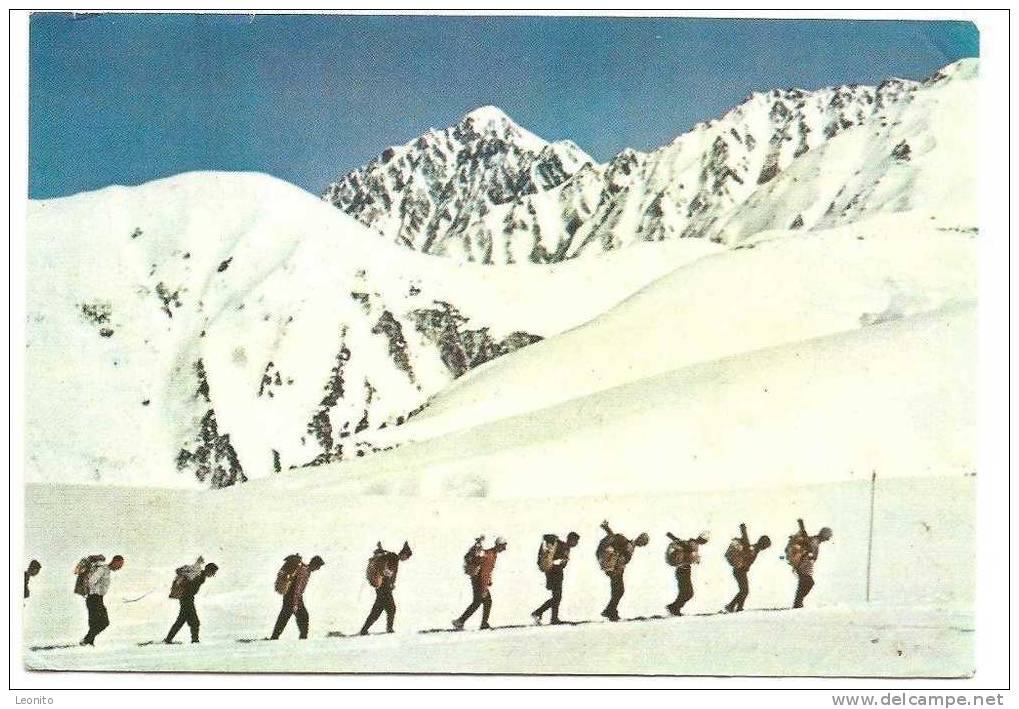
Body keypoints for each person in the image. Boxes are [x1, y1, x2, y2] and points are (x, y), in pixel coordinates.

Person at [596, 521, 649, 622]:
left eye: (643, 543)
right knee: (619, 590)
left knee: (618, 591)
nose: (641, 544)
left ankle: (611, 611)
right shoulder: (625, 542)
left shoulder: (630, 546)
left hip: (616, 569)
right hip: (613, 568)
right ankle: (610, 611)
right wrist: (607, 528)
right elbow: (614, 538)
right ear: (639, 538)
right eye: (642, 541)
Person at [453, 536, 507, 630]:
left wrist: (487, 582)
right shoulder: (490, 555)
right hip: (479, 581)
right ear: (499, 546)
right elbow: (484, 573)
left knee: (478, 602)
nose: (505, 548)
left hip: (477, 580)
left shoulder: (491, 553)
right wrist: (484, 588)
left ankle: (461, 621)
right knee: (485, 601)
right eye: (503, 546)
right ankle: (480, 624)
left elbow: (486, 571)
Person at [360, 541, 412, 635]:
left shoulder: (392, 557)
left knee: (378, 610)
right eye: (407, 557)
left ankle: (365, 629)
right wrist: (390, 582)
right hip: (384, 588)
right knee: (391, 608)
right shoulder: (393, 558)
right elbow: (387, 572)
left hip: (382, 587)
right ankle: (389, 629)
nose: (406, 559)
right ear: (404, 554)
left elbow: (386, 569)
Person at [531, 531, 580, 625]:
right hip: (554, 573)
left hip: (555, 572)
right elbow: (554, 559)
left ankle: (552, 617)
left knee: (556, 597)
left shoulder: (564, 546)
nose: (576, 543)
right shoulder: (563, 546)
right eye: (576, 541)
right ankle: (539, 613)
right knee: (557, 597)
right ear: (571, 540)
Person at [270, 555, 324, 640]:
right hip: (293, 597)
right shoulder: (305, 571)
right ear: (315, 565)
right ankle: (302, 638)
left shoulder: (304, 568)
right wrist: (295, 604)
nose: (318, 569)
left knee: (285, 617)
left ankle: (275, 636)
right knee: (300, 616)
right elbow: (298, 588)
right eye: (318, 566)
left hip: (290, 596)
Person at [164, 559, 219, 643]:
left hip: (186, 598)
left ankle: (169, 639)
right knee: (194, 622)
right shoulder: (199, 575)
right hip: (187, 599)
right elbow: (189, 586)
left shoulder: (200, 574)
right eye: (213, 572)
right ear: (209, 570)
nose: (213, 574)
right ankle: (194, 640)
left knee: (182, 620)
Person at [786, 519, 833, 608]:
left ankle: (798, 602)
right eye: (828, 536)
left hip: (804, 565)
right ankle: (798, 602)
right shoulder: (814, 541)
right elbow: (808, 550)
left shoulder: (814, 540)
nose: (828, 539)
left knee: (805, 583)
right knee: (808, 582)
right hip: (803, 565)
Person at [723, 524, 771, 613]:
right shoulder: (753, 548)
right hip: (740, 570)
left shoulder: (754, 548)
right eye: (766, 546)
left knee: (744, 590)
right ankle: (731, 606)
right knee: (744, 590)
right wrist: (743, 529)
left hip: (740, 570)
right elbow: (746, 541)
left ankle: (738, 607)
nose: (765, 548)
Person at [80, 555, 124, 646]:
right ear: (115, 562)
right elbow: (91, 581)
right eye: (120, 565)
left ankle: (89, 642)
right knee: (104, 622)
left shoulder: (106, 570)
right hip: (94, 598)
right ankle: (86, 640)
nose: (120, 568)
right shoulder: (103, 569)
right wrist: (95, 591)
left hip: (96, 598)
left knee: (95, 623)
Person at [664, 531, 710, 616]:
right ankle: (673, 607)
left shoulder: (692, 544)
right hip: (683, 571)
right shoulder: (692, 544)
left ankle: (675, 609)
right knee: (688, 593)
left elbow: (687, 551)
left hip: (684, 570)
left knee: (685, 592)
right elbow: (687, 549)